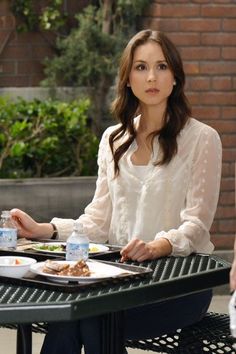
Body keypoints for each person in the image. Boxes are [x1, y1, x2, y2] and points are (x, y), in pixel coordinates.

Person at [11, 29, 222, 354]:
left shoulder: (201, 139)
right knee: (71, 315)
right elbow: (97, 222)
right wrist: (45, 230)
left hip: (178, 284)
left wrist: (157, 246)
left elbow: (196, 225)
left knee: (92, 318)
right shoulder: (114, 139)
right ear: (127, 79)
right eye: (141, 67)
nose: (151, 76)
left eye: (162, 66)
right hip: (117, 279)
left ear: (176, 77)